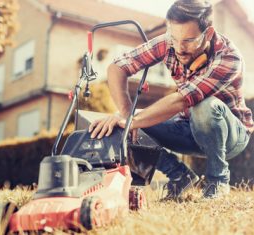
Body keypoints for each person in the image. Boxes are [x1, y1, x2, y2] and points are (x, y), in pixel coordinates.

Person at [88, 0, 253, 200]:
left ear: (208, 34)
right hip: (187, 128)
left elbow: (184, 99)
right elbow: (117, 68)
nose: (179, 48)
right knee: (122, 125)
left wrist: (133, 120)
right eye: (175, 39)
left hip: (232, 136)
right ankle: (180, 176)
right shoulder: (168, 42)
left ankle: (218, 181)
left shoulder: (229, 57)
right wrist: (126, 116)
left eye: (189, 40)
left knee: (204, 105)